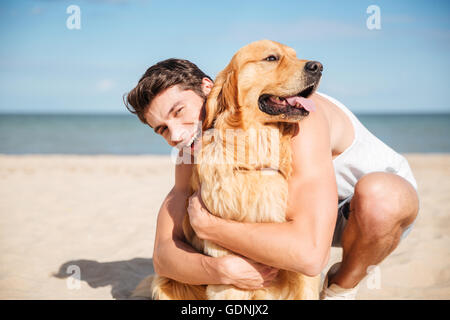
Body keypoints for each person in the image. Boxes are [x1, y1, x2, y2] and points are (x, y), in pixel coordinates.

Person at [124, 58, 419, 299]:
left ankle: (341, 287)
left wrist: (213, 228)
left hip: (362, 212)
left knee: (381, 197)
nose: (176, 134)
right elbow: (163, 254)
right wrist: (219, 269)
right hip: (298, 217)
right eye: (162, 129)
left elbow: (310, 256)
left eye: (179, 112)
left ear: (207, 87)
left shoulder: (286, 113)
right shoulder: (193, 143)